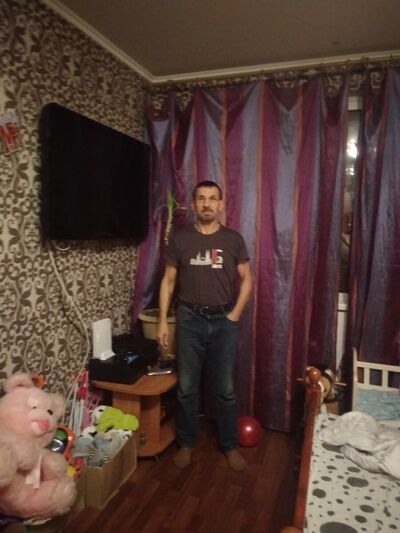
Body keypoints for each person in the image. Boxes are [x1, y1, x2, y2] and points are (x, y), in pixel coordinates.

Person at [157, 180, 252, 471]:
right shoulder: (181, 239)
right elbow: (168, 282)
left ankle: (230, 445)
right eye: (201, 198)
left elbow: (247, 278)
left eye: (212, 198)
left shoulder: (233, 239)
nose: (207, 203)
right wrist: (162, 321)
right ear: (194, 204)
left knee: (225, 389)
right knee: (187, 387)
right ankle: (186, 443)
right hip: (189, 320)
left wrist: (235, 313)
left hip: (224, 321)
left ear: (221, 204)